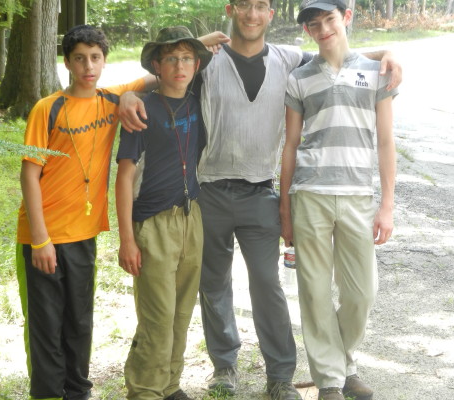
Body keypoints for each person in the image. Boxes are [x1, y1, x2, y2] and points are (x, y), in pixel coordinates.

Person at [119, 1, 401, 399]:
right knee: (213, 285)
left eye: (261, 6)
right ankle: (224, 367)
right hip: (210, 190)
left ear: (270, 13)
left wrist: (387, 52)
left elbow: (334, 51)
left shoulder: (289, 59)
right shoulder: (208, 61)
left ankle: (280, 376)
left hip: (260, 191)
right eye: (244, 5)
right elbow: (167, 73)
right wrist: (128, 94)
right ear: (231, 9)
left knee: (268, 285)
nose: (252, 14)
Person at [15, 25, 154, 400]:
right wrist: (40, 240)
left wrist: (206, 43)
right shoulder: (48, 108)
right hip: (43, 236)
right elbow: (29, 175)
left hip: (83, 233)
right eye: (79, 58)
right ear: (67, 63)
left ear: (105, 61)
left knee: (79, 321)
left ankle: (78, 391)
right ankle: (48, 393)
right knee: (46, 324)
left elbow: (161, 71)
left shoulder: (111, 100)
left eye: (95, 58)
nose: (88, 66)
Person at [279, 0, 398, 399]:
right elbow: (290, 144)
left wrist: (387, 205)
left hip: (358, 197)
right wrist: (285, 208)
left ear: (346, 17)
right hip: (309, 194)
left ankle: (344, 361)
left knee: (361, 293)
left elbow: (386, 142)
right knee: (314, 291)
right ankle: (331, 380)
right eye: (313, 24)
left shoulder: (377, 72)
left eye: (329, 19)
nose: (322, 29)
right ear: (307, 31)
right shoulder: (299, 78)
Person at [115, 26, 212, 400]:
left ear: (196, 65)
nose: (179, 66)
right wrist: (127, 239)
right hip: (153, 223)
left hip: (191, 217)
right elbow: (124, 177)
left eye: (187, 58)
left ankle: (169, 385)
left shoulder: (198, 101)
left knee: (181, 313)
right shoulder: (142, 109)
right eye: (171, 59)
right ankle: (145, 391)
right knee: (157, 318)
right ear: (157, 65)